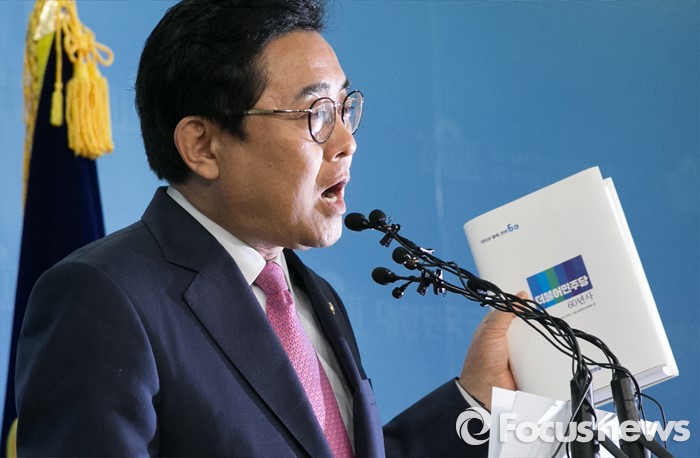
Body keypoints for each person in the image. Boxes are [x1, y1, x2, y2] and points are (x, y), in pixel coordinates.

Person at [15, 0, 516, 456]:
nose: (346, 141)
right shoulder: (102, 297)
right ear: (202, 146)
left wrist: (476, 402)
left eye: (345, 108)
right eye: (317, 113)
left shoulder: (315, 296)